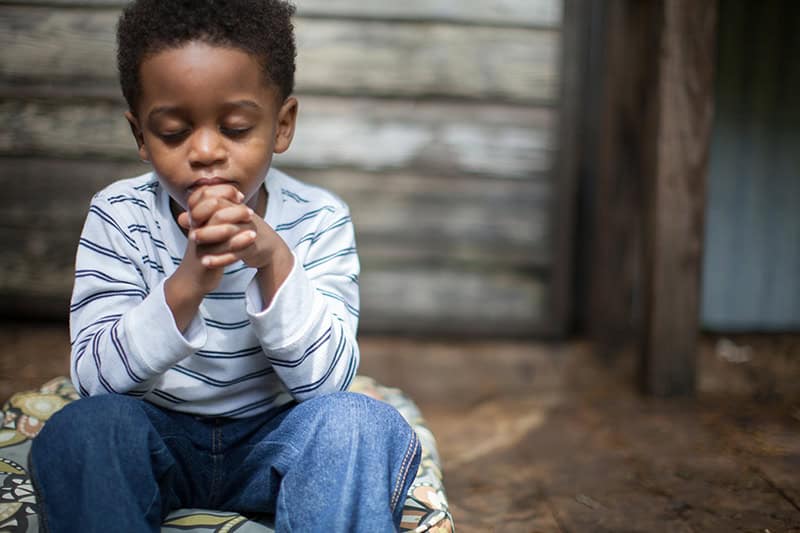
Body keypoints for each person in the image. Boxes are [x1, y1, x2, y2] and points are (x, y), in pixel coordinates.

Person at [29, 1, 421, 531]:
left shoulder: (320, 218)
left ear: (282, 125)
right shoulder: (119, 216)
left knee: (360, 423)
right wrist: (190, 281)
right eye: (172, 132)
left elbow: (327, 384)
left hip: (278, 439)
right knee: (81, 430)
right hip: (158, 436)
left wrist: (274, 261)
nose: (207, 151)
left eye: (235, 128)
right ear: (141, 136)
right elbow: (97, 384)